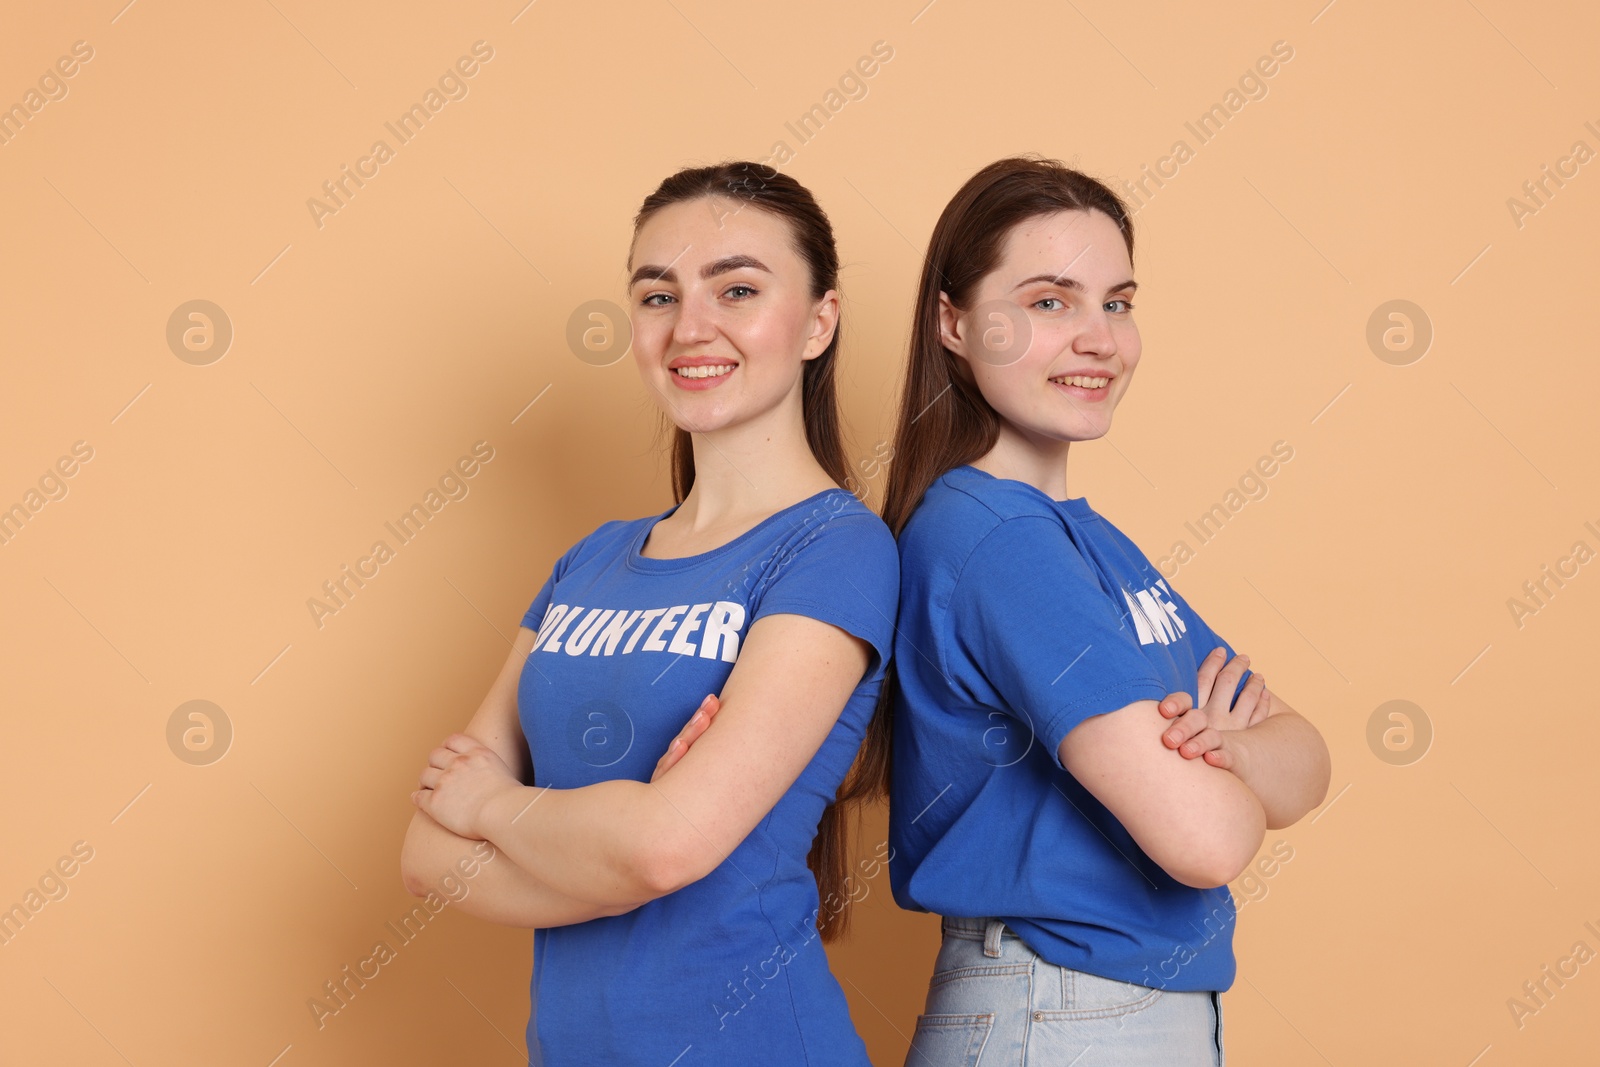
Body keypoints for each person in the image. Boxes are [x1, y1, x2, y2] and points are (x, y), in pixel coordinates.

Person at [398, 161, 899, 1066]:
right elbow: (428, 855)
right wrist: (617, 850)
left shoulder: (836, 550)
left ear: (819, 321)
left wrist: (498, 806)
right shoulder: (590, 560)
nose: (689, 327)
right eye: (657, 295)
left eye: (736, 288)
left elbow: (666, 849)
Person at [879, 156, 1332, 1066]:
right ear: (954, 323)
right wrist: (1234, 773)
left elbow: (1308, 760)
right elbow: (1206, 839)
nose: (1099, 338)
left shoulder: (1087, 543)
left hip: (1099, 1015)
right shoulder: (999, 543)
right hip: (1061, 1013)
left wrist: (1230, 751)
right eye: (1051, 302)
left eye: (1117, 303)